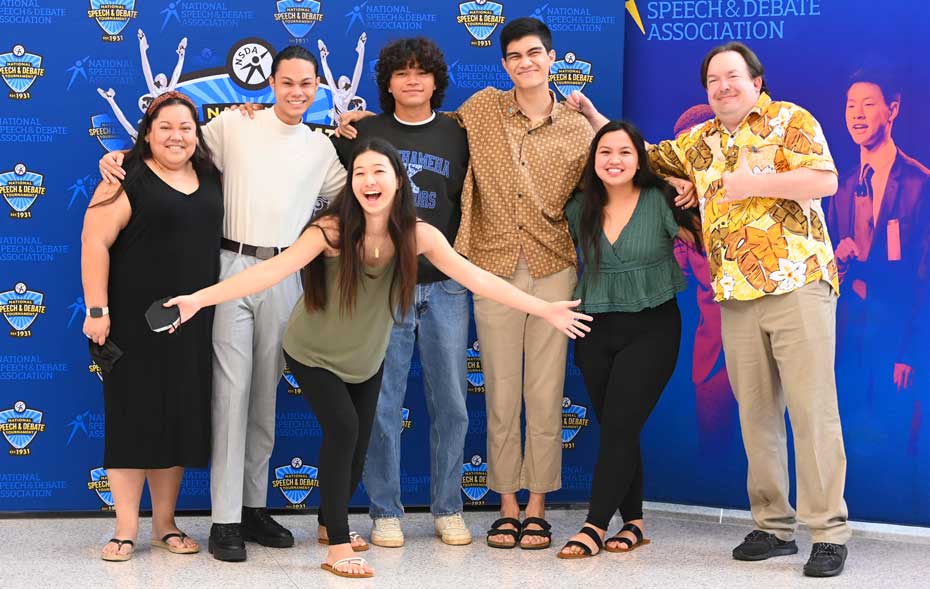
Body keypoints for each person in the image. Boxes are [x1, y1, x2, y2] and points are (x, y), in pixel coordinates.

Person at [163, 138, 592, 578]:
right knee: (343, 429)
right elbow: (270, 271)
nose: (369, 180)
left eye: (378, 171)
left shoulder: (417, 234)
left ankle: (330, 524)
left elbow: (476, 276)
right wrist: (199, 300)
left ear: (397, 180)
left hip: (367, 357)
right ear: (350, 184)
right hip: (312, 352)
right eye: (360, 173)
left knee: (356, 450)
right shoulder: (329, 231)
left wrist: (542, 307)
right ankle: (338, 546)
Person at [570, 41, 850, 577]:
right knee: (757, 415)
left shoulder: (790, 119)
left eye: (732, 77)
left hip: (797, 285)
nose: (723, 87)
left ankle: (829, 532)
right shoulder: (700, 141)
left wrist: (750, 184)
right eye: (713, 81)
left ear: (757, 81)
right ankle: (773, 526)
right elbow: (638, 154)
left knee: (813, 413)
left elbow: (825, 180)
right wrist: (592, 116)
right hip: (735, 295)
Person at [99, 46, 347, 562]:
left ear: (317, 89)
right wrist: (116, 156)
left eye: (307, 84)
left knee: (265, 398)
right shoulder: (234, 126)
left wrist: (358, 129)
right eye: (287, 82)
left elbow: (357, 198)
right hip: (230, 270)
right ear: (270, 84)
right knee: (231, 395)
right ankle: (225, 519)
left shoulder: (322, 150)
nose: (297, 92)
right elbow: (169, 150)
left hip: (286, 273)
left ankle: (254, 508)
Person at [332, 38, 473, 548]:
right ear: (387, 82)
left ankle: (449, 508)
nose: (412, 80)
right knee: (383, 404)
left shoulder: (460, 132)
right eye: (401, 73)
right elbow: (319, 179)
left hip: (446, 286)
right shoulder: (362, 131)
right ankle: (385, 511)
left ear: (436, 81)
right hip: (380, 287)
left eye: (422, 72)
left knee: (453, 404)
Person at [81, 91, 223, 562]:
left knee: (177, 421)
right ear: (147, 132)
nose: (176, 136)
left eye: (185, 127)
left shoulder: (210, 177)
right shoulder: (125, 179)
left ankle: (165, 524)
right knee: (131, 420)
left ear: (196, 134)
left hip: (192, 323)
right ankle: (125, 529)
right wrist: (97, 310)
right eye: (165, 127)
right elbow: (94, 242)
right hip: (132, 324)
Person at [556, 121, 702, 559]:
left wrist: (688, 185)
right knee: (620, 428)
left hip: (652, 327)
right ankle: (634, 523)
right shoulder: (578, 205)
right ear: (593, 160)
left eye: (624, 152)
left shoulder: (662, 200)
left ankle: (593, 526)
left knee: (620, 427)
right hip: (594, 328)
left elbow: (707, 240)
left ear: (640, 159)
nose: (614, 160)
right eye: (605, 152)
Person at [827, 71, 930, 459]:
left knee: (895, 446)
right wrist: (839, 262)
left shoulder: (921, 184)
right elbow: (829, 272)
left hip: (897, 343)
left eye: (869, 104)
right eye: (851, 105)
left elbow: (925, 278)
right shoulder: (840, 186)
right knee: (848, 445)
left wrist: (909, 352)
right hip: (848, 339)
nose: (857, 114)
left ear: (893, 109)